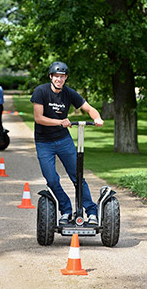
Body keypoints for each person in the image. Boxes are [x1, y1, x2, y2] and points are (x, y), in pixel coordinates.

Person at [30, 61, 104, 225]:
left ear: (65, 78)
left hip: (64, 141)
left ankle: (91, 212)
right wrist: (60, 122)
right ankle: (66, 210)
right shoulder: (40, 91)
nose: (59, 79)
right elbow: (38, 118)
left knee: (77, 177)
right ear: (51, 77)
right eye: (56, 76)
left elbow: (90, 108)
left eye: (62, 76)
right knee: (51, 179)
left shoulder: (69, 93)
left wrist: (96, 117)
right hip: (44, 143)